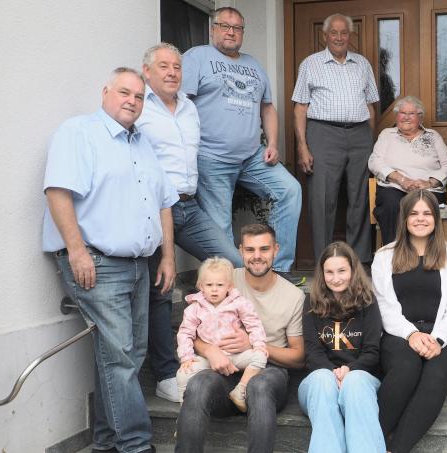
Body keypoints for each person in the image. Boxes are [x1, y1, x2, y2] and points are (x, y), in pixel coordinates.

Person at [42, 67, 177, 453]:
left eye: (138, 96)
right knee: (119, 357)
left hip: (140, 265)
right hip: (97, 263)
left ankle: (104, 442)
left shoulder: (142, 144)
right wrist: (77, 251)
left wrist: (168, 255)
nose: (132, 101)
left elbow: (164, 201)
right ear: (105, 92)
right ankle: (136, 445)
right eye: (124, 92)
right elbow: (58, 192)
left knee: (127, 356)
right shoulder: (78, 132)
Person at [136, 42, 244, 403]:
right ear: (147, 70)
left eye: (177, 67)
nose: (171, 72)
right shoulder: (139, 107)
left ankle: (234, 347)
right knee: (161, 291)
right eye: (163, 66)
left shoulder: (189, 108)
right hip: (152, 211)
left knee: (235, 264)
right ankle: (168, 373)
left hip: (188, 206)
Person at [182, 7, 303, 285]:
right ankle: (232, 284)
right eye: (225, 26)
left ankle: (280, 269)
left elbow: (268, 108)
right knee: (220, 227)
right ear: (213, 29)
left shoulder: (254, 64)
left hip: (251, 157)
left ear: (242, 33)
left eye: (237, 28)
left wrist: (272, 142)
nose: (230, 32)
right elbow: (181, 106)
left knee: (289, 190)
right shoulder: (197, 57)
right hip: (211, 157)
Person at [175, 224, 306, 453]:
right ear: (241, 251)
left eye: (264, 249)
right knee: (198, 384)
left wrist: (255, 345)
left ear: (276, 250)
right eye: (250, 249)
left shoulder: (293, 295)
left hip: (268, 371)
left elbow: (298, 357)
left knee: (260, 386)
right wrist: (209, 350)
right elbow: (191, 329)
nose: (257, 256)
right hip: (223, 370)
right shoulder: (222, 279)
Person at [372, 190, 447, 453]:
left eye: (427, 213)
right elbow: (385, 307)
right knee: (405, 369)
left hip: (444, 337)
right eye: (414, 213)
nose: (420, 219)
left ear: (436, 219)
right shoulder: (384, 257)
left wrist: (437, 339)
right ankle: (370, 442)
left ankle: (396, 449)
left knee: (435, 377)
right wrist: (411, 334)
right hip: (398, 335)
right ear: (404, 218)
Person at [293, 13, 380, 262]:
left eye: (344, 33)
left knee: (360, 197)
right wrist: (302, 146)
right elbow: (300, 107)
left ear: (350, 36)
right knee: (322, 199)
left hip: (360, 134)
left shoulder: (362, 64)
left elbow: (371, 105)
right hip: (323, 133)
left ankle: (358, 259)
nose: (339, 37)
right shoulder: (310, 64)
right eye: (334, 33)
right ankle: (324, 259)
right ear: (325, 36)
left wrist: (370, 141)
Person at [299, 242, 385, 453]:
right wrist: (332, 373)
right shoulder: (311, 301)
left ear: (353, 270)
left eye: (342, 271)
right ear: (322, 273)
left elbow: (372, 351)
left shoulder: (368, 301)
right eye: (329, 272)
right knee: (322, 379)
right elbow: (312, 352)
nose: (335, 278)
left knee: (354, 382)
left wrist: (349, 370)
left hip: (359, 381)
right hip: (318, 385)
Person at [176, 257, 267, 412]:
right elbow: (185, 332)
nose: (214, 289)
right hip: (208, 359)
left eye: (220, 285)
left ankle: (240, 390)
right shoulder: (194, 308)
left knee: (261, 356)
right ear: (200, 286)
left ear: (229, 286)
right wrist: (186, 357)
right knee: (182, 374)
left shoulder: (239, 303)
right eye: (209, 285)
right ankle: (184, 412)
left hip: (236, 355)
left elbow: (254, 324)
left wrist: (258, 344)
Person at [368, 96, 447, 244]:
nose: (406, 117)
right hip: (394, 187)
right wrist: (401, 179)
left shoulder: (433, 136)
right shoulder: (387, 135)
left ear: (420, 118)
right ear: (396, 116)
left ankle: (426, 255)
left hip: (427, 190)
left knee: (422, 205)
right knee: (391, 204)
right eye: (402, 113)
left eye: (411, 114)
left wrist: (429, 183)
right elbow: (374, 161)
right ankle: (394, 254)